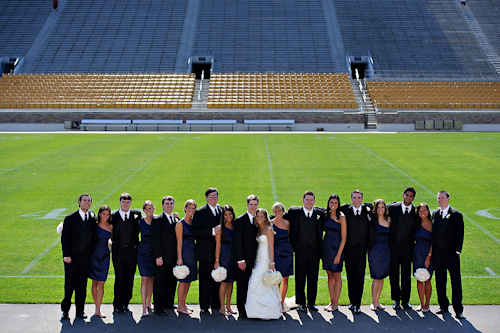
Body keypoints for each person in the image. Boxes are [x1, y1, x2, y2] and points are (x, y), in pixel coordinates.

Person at [285, 190, 325, 313]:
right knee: (300, 277)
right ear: (303, 201)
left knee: (313, 277)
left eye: (311, 200)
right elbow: (279, 216)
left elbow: (332, 210)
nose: (309, 202)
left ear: (314, 201)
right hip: (300, 251)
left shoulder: (320, 213)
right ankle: (301, 302)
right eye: (307, 200)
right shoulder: (294, 212)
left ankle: (311, 303)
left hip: (315, 251)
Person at [61, 193, 96, 320]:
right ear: (79, 202)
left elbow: (94, 237)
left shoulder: (92, 217)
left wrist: (90, 252)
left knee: (82, 285)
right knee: (69, 285)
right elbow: (65, 239)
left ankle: (80, 311)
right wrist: (66, 255)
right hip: (71, 258)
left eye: (89, 201)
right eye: (85, 200)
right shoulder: (70, 218)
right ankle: (65, 311)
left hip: (85, 258)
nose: (87, 202)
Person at [340, 189, 375, 314]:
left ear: (362, 199)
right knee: (350, 276)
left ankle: (357, 304)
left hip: (361, 249)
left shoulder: (367, 210)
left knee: (360, 276)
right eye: (354, 197)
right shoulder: (345, 210)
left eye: (359, 197)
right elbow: (331, 208)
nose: (356, 200)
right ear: (351, 199)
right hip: (349, 248)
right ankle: (351, 301)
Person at [245, 208, 282, 320]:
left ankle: (269, 311)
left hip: (265, 259)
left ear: (266, 217)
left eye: (261, 216)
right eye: (258, 216)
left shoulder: (268, 229)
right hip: (257, 258)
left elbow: (271, 246)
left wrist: (272, 262)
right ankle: (255, 311)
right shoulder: (258, 228)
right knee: (259, 283)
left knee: (254, 282)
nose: (259, 218)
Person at [433, 191, 465, 319]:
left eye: (442, 198)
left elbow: (459, 234)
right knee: (440, 281)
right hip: (439, 254)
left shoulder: (456, 215)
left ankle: (458, 309)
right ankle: (443, 305)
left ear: (448, 198)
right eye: (438, 198)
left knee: (455, 282)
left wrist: (457, 251)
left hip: (452, 255)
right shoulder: (435, 213)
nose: (440, 200)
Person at [192, 187, 222, 315]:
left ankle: (216, 304)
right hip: (204, 252)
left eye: (215, 195)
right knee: (205, 280)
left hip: (219, 252)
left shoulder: (221, 210)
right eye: (210, 196)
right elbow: (195, 230)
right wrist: (212, 231)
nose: (213, 198)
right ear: (206, 198)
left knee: (217, 279)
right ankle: (204, 305)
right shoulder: (200, 212)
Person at [111, 193, 142, 314]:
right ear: (119, 202)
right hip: (118, 253)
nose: (125, 204)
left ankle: (126, 302)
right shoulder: (113, 216)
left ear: (130, 203)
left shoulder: (136, 214)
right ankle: (117, 303)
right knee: (120, 278)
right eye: (123, 202)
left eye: (128, 202)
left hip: (132, 252)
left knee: (130, 278)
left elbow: (146, 221)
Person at [388, 187, 417, 310]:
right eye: (407, 195)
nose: (408, 197)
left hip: (408, 248)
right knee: (393, 273)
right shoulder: (393, 208)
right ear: (403, 195)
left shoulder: (416, 212)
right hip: (394, 246)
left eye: (411, 196)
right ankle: (396, 300)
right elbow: (380, 207)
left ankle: (405, 301)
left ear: (413, 198)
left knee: (406, 274)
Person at [151, 196, 179, 316]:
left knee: (171, 281)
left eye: (171, 203)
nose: (169, 205)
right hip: (162, 257)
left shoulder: (175, 219)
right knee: (160, 282)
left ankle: (168, 303)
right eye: (167, 203)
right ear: (162, 205)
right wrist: (158, 256)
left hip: (173, 257)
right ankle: (158, 307)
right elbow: (155, 240)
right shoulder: (157, 220)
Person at [234, 194, 259, 318]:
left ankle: (252, 308)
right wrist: (240, 259)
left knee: (255, 285)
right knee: (242, 284)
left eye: (255, 204)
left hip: (258, 260)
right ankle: (241, 309)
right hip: (244, 259)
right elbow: (237, 242)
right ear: (247, 205)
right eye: (251, 204)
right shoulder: (239, 221)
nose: (253, 207)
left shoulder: (261, 219)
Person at [322, 194, 346, 312]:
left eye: (336, 203)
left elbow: (344, 238)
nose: (333, 205)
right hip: (326, 247)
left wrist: (338, 254)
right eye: (332, 202)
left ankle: (336, 303)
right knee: (329, 274)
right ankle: (331, 301)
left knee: (336, 274)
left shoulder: (341, 217)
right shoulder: (325, 215)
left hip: (337, 248)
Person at [89, 205, 113, 318]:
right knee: (94, 282)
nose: (105, 216)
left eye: (107, 214)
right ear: (99, 214)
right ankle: (97, 307)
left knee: (102, 283)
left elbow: (113, 240)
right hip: (94, 255)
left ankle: (98, 308)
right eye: (103, 214)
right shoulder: (94, 225)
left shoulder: (111, 227)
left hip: (105, 256)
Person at [368, 199, 391, 311]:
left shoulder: (389, 220)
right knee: (376, 276)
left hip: (385, 250)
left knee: (381, 277)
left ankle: (377, 301)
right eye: (378, 207)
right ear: (375, 209)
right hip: (374, 249)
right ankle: (373, 301)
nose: (380, 209)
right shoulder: (372, 219)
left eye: (382, 207)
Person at [175, 199, 198, 315]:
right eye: (189, 208)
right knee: (183, 280)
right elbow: (179, 241)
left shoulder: (194, 222)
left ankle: (183, 303)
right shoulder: (180, 223)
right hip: (184, 252)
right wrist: (179, 257)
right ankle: (180, 305)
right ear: (185, 208)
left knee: (189, 281)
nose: (191, 210)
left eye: (193, 208)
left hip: (192, 253)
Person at [215, 205, 237, 316]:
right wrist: (217, 261)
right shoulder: (220, 228)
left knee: (231, 282)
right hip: (224, 257)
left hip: (234, 257)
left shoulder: (235, 225)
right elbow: (218, 245)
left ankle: (229, 306)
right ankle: (222, 308)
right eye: (226, 214)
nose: (228, 216)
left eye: (230, 214)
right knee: (224, 283)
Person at [271, 202, 293, 313]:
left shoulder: (287, 223)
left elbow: (289, 237)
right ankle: (275, 302)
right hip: (276, 253)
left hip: (287, 253)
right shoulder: (270, 224)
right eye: (275, 211)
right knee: (277, 279)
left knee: (286, 278)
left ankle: (282, 302)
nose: (277, 213)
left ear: (283, 211)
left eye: (279, 211)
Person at [412, 203, 433, 313]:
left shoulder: (432, 224)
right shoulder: (417, 224)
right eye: (420, 211)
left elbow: (434, 242)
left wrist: (429, 257)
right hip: (417, 254)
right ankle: (421, 303)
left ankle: (427, 304)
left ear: (428, 211)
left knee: (427, 280)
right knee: (419, 279)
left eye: (424, 210)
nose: (422, 213)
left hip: (427, 254)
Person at [137, 200, 156, 317]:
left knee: (152, 278)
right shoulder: (140, 222)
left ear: (154, 209)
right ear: (143, 210)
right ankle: (144, 306)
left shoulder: (157, 221)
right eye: (146, 209)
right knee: (144, 279)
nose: (148, 211)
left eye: (150, 208)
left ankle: (149, 302)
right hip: (143, 253)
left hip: (154, 253)